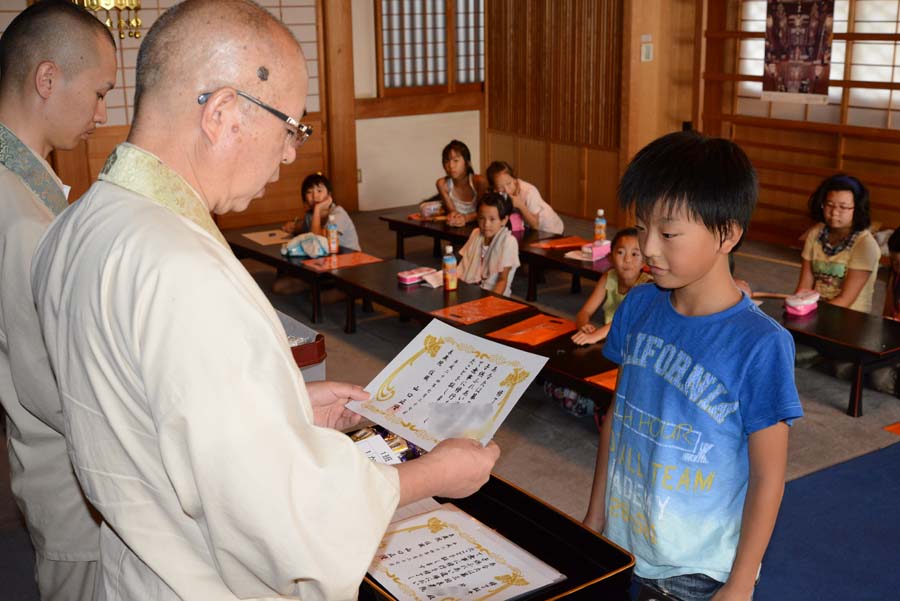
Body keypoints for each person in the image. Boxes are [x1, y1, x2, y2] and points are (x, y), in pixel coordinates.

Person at [31, 2, 499, 600]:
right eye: (290, 127)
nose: (288, 154)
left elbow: (147, 404)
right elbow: (280, 515)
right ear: (223, 114)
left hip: (138, 565)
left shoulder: (76, 225)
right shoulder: (184, 271)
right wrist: (429, 474)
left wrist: (284, 409)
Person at [583, 131, 803, 601]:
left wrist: (740, 583)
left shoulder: (761, 344)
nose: (648, 248)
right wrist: (595, 517)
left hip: (698, 570)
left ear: (727, 234)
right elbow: (617, 419)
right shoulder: (637, 306)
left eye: (668, 233)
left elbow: (768, 477)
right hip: (625, 542)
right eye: (642, 227)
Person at [0, 2, 116, 599]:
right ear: (47, 79)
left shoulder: (26, 178)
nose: (102, 113)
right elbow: (46, 382)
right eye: (99, 93)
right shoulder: (16, 209)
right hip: (71, 474)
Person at [794, 174, 880, 313]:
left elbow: (846, 299)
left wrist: (812, 315)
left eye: (843, 207)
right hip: (816, 309)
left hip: (850, 317)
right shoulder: (815, 233)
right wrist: (797, 307)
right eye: (829, 205)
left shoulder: (865, 244)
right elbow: (804, 286)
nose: (834, 212)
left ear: (857, 209)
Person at [571, 228, 652, 346]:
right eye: (620, 253)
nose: (627, 260)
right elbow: (585, 311)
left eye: (635, 254)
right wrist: (583, 326)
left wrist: (595, 336)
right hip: (610, 338)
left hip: (636, 343)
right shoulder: (608, 277)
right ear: (610, 258)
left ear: (644, 262)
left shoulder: (647, 285)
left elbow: (626, 320)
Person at [458, 192, 520, 296]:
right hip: (471, 290)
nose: (486, 224)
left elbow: (502, 280)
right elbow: (463, 264)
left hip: (494, 295)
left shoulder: (509, 241)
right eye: (482, 218)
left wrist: (489, 303)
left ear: (504, 220)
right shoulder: (476, 233)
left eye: (492, 219)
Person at [282, 171, 360, 251]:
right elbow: (304, 228)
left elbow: (318, 243)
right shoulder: (309, 215)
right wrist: (294, 227)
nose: (315, 196)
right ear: (304, 198)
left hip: (349, 255)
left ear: (329, 194)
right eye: (309, 192)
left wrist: (317, 209)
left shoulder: (338, 214)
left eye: (319, 191)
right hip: (330, 255)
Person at [485, 160, 564, 234]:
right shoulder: (497, 193)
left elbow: (535, 225)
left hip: (549, 229)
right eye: (500, 187)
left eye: (509, 183)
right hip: (527, 228)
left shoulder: (529, 191)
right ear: (494, 189)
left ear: (514, 179)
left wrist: (520, 205)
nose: (507, 190)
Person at [435, 139, 488, 227]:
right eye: (447, 161)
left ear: (467, 163)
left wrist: (465, 218)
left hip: (482, 227)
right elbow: (453, 212)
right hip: (459, 228)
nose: (451, 166)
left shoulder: (479, 181)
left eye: (456, 160)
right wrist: (453, 217)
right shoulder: (442, 184)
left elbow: (483, 211)